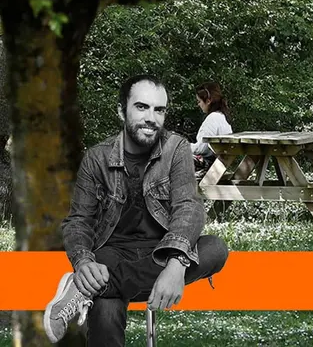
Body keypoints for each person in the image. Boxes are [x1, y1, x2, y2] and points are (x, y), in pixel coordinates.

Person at [43, 74, 230, 345]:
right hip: (112, 254)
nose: (151, 117)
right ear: (122, 110)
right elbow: (79, 221)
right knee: (105, 299)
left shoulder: (176, 149)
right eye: (141, 107)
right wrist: (83, 262)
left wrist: (177, 263)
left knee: (216, 249)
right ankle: (95, 286)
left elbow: (188, 207)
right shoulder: (97, 157)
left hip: (163, 254)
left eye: (159, 110)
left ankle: (85, 291)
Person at [191, 82, 233, 175]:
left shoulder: (213, 118)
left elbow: (201, 149)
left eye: (199, 101)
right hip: (220, 165)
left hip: (211, 168)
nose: (198, 105)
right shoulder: (222, 117)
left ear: (208, 101)